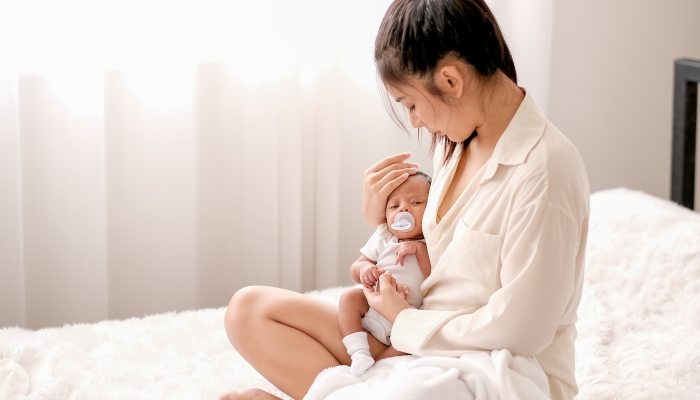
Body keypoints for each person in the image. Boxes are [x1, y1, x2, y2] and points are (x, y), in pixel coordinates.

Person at [221, 0, 589, 399]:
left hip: (486, 364)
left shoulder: (544, 171)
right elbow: (441, 257)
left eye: (411, 104)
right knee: (248, 311)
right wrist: (378, 219)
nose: (414, 121)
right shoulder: (459, 142)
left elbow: (521, 332)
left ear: (451, 80)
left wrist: (405, 321)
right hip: (414, 341)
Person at [339, 172, 432, 376]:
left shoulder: (432, 240)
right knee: (349, 298)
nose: (404, 209)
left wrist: (419, 249)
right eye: (394, 206)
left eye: (416, 202)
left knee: (416, 339)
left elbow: (435, 277)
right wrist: (365, 269)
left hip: (405, 318)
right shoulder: (384, 235)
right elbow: (356, 267)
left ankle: (377, 368)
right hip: (371, 310)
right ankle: (359, 352)